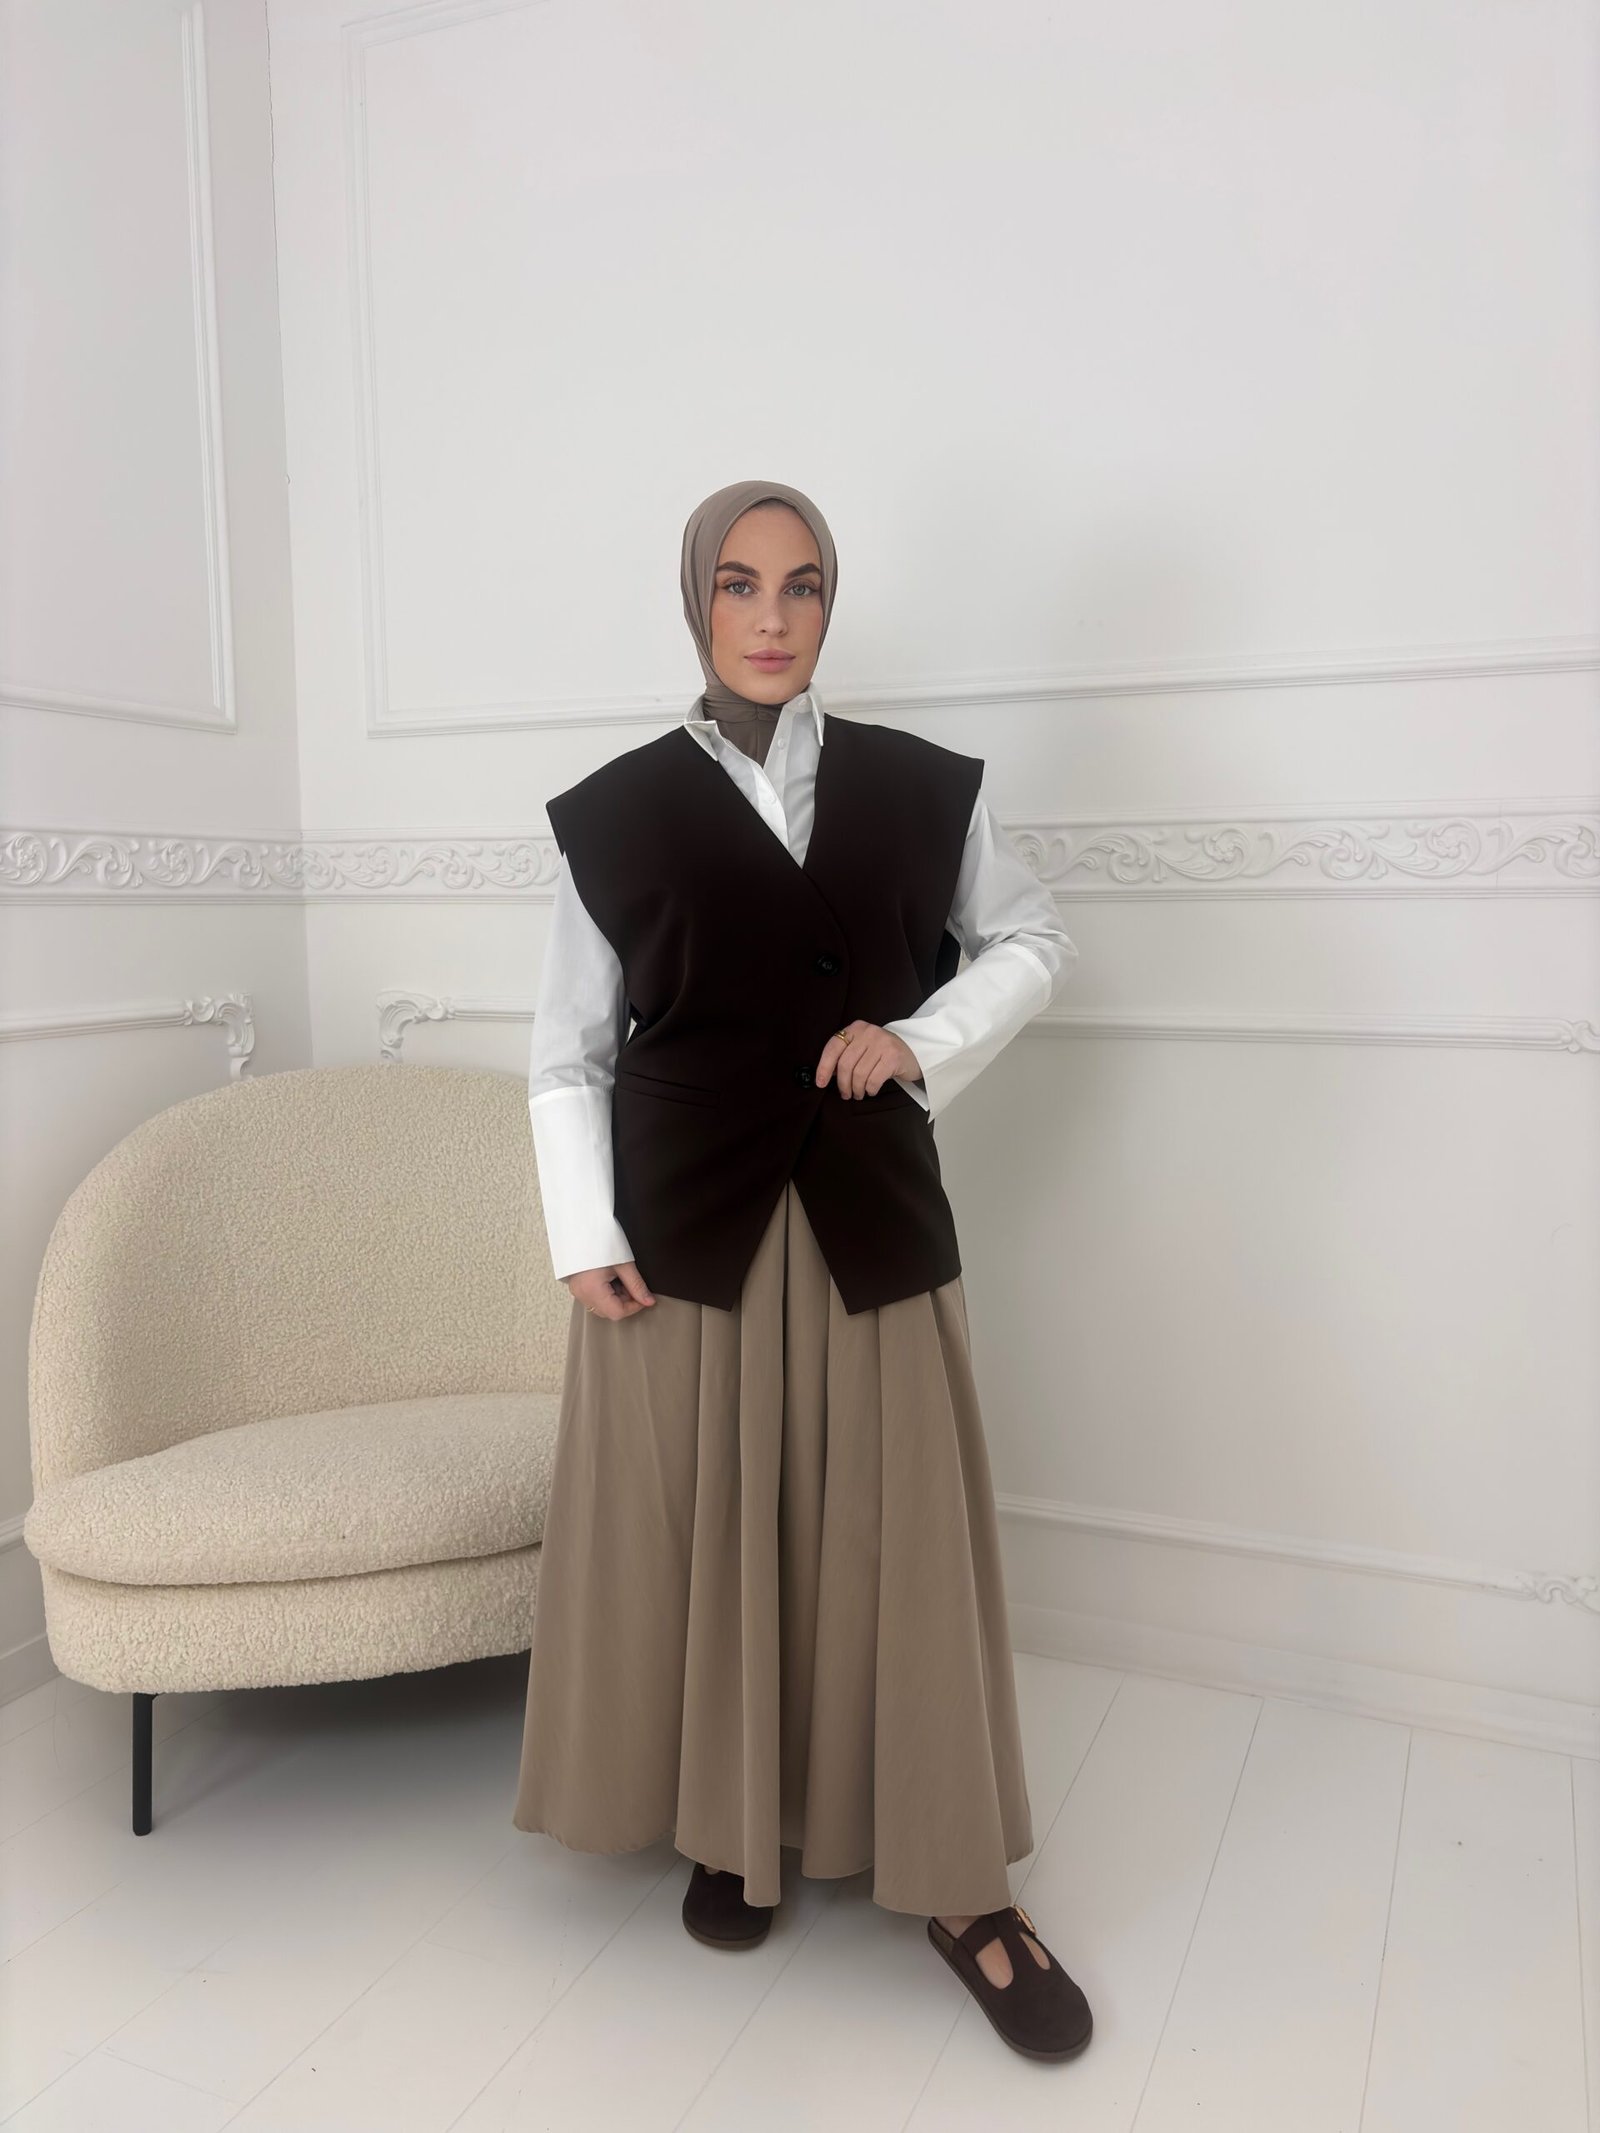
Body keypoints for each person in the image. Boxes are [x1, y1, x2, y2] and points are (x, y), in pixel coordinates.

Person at [513, 479, 1093, 2061]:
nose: (771, 617)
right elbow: (567, 1049)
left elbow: (1032, 941)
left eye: (803, 585)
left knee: (897, 1540)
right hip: (678, 1236)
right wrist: (584, 1233)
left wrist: (919, 1035)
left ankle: (963, 1889)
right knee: (711, 1532)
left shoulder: (923, 787)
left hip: (867, 1212)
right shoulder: (615, 811)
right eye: (739, 583)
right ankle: (734, 1827)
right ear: (695, 598)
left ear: (832, 603)